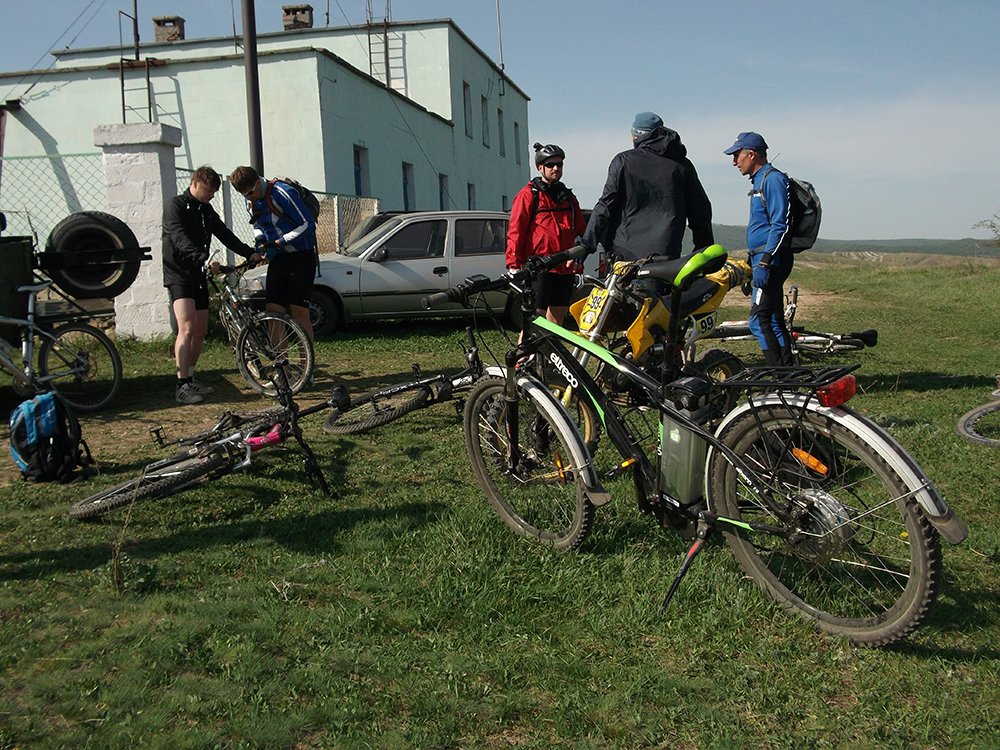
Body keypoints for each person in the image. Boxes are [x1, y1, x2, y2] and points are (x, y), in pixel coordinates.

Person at [162, 165, 262, 405]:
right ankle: (181, 386)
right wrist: (203, 258)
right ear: (195, 183)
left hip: (199, 273)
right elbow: (178, 237)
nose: (211, 196)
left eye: (214, 193)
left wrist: (249, 252)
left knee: (200, 329)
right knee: (187, 327)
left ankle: (190, 377)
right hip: (179, 274)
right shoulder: (176, 206)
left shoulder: (205, 210)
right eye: (208, 191)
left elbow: (224, 233)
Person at [581, 111, 714, 261]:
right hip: (666, 255)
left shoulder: (623, 161)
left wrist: (586, 244)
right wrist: (703, 248)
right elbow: (701, 210)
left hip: (625, 255)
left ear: (636, 136)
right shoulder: (683, 165)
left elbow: (605, 206)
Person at [723, 131, 795, 366]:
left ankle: (778, 375)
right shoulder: (760, 181)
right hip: (762, 260)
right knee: (772, 318)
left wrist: (764, 262)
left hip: (771, 261)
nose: (734, 162)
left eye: (737, 156)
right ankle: (788, 373)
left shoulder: (772, 180)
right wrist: (753, 266)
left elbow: (780, 224)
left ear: (751, 154)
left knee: (758, 320)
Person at [228, 166, 318, 342]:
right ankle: (280, 358)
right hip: (278, 257)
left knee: (299, 310)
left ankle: (306, 357)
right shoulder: (250, 200)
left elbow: (308, 225)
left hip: (301, 256)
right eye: (244, 195)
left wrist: (279, 242)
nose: (249, 197)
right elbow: (257, 224)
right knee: (273, 311)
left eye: (251, 192)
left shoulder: (282, 193)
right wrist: (260, 241)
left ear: (257, 182)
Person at [505, 143, 588, 325]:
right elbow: (516, 231)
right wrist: (513, 264)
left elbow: (581, 231)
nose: (556, 168)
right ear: (540, 167)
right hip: (539, 268)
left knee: (557, 322)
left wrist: (580, 255)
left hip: (564, 267)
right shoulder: (529, 195)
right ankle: (526, 346)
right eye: (550, 165)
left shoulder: (568, 197)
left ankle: (549, 346)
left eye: (559, 164)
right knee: (535, 322)